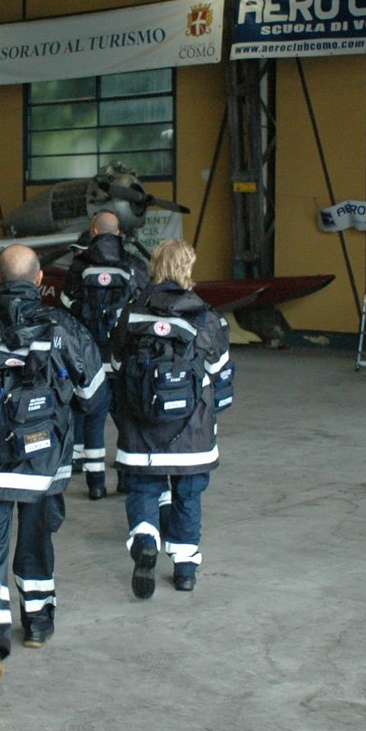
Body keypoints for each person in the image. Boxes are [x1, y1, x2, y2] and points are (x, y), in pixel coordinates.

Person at [0, 244, 106, 698]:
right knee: (35, 543)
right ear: (41, 279)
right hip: (44, 469)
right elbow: (93, 393)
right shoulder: (64, 327)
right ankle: (39, 623)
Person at [109, 239, 234, 597]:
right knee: (188, 498)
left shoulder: (132, 313)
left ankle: (146, 539)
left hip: (141, 429)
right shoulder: (205, 315)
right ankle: (184, 570)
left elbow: (117, 364)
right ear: (187, 269)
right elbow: (219, 369)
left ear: (154, 267)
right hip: (191, 433)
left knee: (144, 488)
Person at [61, 210, 148, 500]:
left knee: (93, 419)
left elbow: (66, 309)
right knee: (126, 419)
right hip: (123, 357)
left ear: (93, 232)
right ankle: (125, 478)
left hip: (90, 358)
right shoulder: (134, 264)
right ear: (120, 233)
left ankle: (95, 483)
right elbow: (144, 310)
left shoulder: (79, 265)